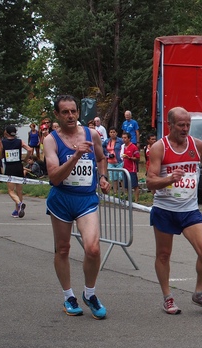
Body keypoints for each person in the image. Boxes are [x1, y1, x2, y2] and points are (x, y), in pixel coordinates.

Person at [43, 94, 111, 319]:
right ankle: (68, 296)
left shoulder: (91, 134)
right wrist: (75, 156)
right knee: (63, 249)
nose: (70, 116)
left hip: (85, 199)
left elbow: (101, 157)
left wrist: (102, 177)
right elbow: (54, 177)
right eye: (65, 112)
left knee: (92, 248)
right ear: (57, 115)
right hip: (61, 199)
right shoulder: (51, 141)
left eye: (73, 111)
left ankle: (89, 294)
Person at [146, 106, 202, 316]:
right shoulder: (160, 148)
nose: (185, 129)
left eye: (188, 124)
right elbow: (150, 182)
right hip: (164, 209)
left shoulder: (197, 146)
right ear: (170, 125)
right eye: (181, 125)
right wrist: (169, 178)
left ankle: (199, 293)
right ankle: (168, 297)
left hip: (189, 210)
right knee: (163, 254)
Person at [1, 125, 32, 217]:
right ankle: (17, 210)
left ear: (6, 132)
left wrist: (2, 155)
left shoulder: (3, 142)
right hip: (19, 166)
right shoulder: (19, 141)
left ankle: (19, 204)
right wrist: (26, 159)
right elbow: (30, 149)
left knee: (11, 190)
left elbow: (1, 155)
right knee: (19, 190)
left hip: (10, 167)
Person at [120, 131, 140, 202]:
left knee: (134, 185)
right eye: (122, 138)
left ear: (129, 138)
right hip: (124, 168)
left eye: (125, 138)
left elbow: (137, 158)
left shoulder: (133, 147)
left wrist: (130, 158)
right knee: (126, 186)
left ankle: (137, 200)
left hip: (132, 169)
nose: (123, 139)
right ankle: (129, 199)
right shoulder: (122, 147)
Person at [105, 128, 124, 194]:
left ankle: (124, 192)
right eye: (111, 132)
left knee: (121, 177)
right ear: (109, 133)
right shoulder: (107, 141)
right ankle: (115, 192)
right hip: (110, 161)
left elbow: (125, 146)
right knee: (113, 177)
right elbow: (102, 148)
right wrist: (107, 154)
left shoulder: (120, 140)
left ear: (116, 133)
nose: (112, 133)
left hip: (119, 161)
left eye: (114, 132)